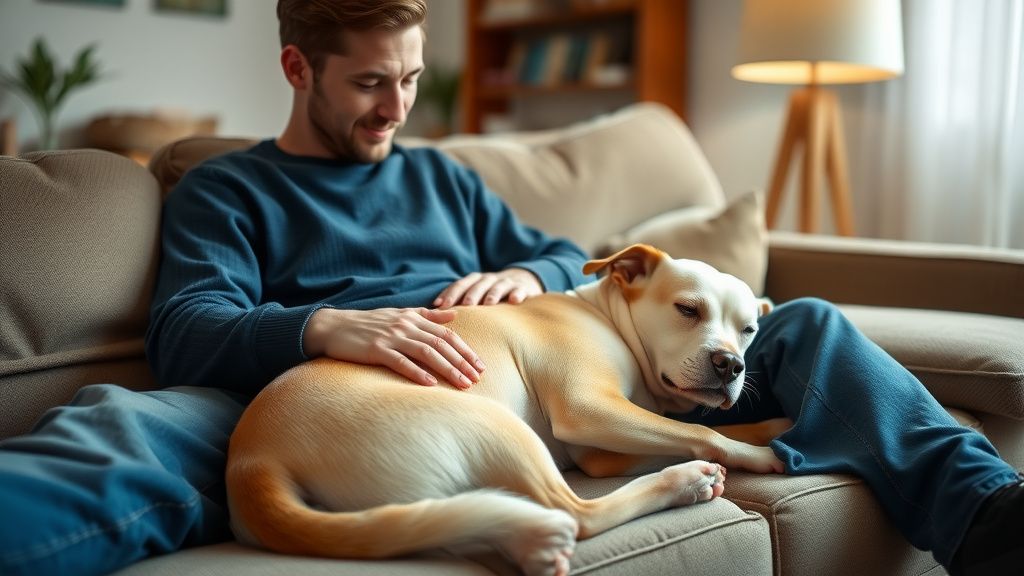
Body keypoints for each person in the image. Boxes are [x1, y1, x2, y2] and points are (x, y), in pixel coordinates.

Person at [0, 1, 1019, 575]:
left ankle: (986, 519)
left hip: (507, 363)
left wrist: (521, 270)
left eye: (408, 78)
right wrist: (329, 330)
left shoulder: (441, 175)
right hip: (321, 382)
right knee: (115, 431)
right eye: (368, 82)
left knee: (803, 325)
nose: (395, 105)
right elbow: (190, 328)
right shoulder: (231, 187)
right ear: (297, 67)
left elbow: (566, 254)